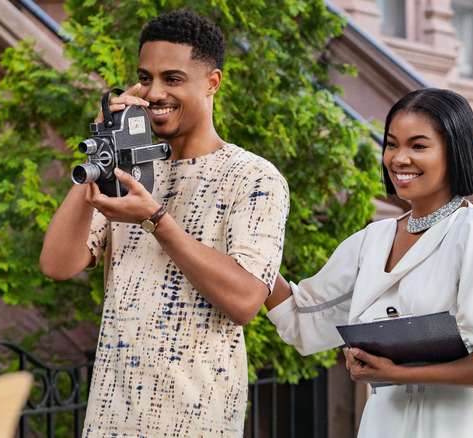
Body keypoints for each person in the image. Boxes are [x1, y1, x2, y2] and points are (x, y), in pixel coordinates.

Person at [39, 10, 289, 437]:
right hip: (110, 419)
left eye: (172, 79)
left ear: (212, 82)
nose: (155, 93)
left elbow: (246, 300)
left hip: (196, 419)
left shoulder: (253, 177)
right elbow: (57, 265)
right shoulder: (128, 174)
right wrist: (101, 152)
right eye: (145, 78)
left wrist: (155, 219)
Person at [264, 88, 473, 437]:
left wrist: (395, 373)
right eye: (391, 144)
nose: (398, 158)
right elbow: (301, 318)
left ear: (454, 151)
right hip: (383, 423)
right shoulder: (373, 240)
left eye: (418, 146)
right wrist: (249, 250)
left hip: (455, 425)